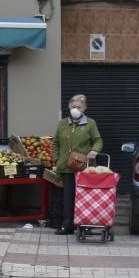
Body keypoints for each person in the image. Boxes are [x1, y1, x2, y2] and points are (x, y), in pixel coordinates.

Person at [52, 94, 103, 235]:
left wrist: (94, 151)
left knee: (85, 197)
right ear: (69, 106)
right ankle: (67, 225)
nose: (76, 109)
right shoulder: (63, 123)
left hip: (85, 167)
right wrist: (57, 159)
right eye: (73, 106)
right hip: (67, 167)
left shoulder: (90, 123)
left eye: (79, 107)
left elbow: (98, 140)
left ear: (85, 108)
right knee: (68, 198)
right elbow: (55, 143)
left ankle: (85, 225)